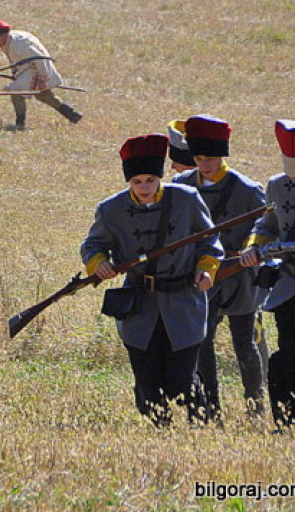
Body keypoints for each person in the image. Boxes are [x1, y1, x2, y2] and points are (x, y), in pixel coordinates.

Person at [84, 133, 223, 425]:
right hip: (139, 307)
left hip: (184, 303)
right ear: (128, 182)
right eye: (137, 182)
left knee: (180, 382)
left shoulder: (186, 199)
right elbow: (93, 246)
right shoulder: (111, 209)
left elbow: (209, 241)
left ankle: (200, 425)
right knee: (147, 382)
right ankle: (160, 432)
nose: (144, 188)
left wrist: (206, 269)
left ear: (159, 177)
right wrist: (100, 264)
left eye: (149, 180)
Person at [173, 116, 268, 421]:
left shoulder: (248, 189)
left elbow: (264, 226)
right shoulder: (181, 186)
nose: (205, 165)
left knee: (245, 343)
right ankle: (209, 408)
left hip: (239, 273)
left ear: (222, 155)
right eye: (199, 159)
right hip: (201, 274)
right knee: (202, 341)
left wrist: (251, 250)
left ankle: (256, 406)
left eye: (210, 158)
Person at [240, 120, 295, 427]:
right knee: (286, 355)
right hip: (289, 283)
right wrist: (253, 246)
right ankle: (285, 420)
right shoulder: (276, 184)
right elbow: (267, 224)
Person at [0, 20, 81, 130]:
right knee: (43, 95)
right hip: (27, 68)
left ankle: (20, 123)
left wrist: (43, 77)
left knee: (15, 91)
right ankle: (72, 114)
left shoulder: (19, 44)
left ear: (5, 35)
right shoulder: (7, 41)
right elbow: (15, 60)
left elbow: (39, 59)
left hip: (36, 68)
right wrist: (16, 73)